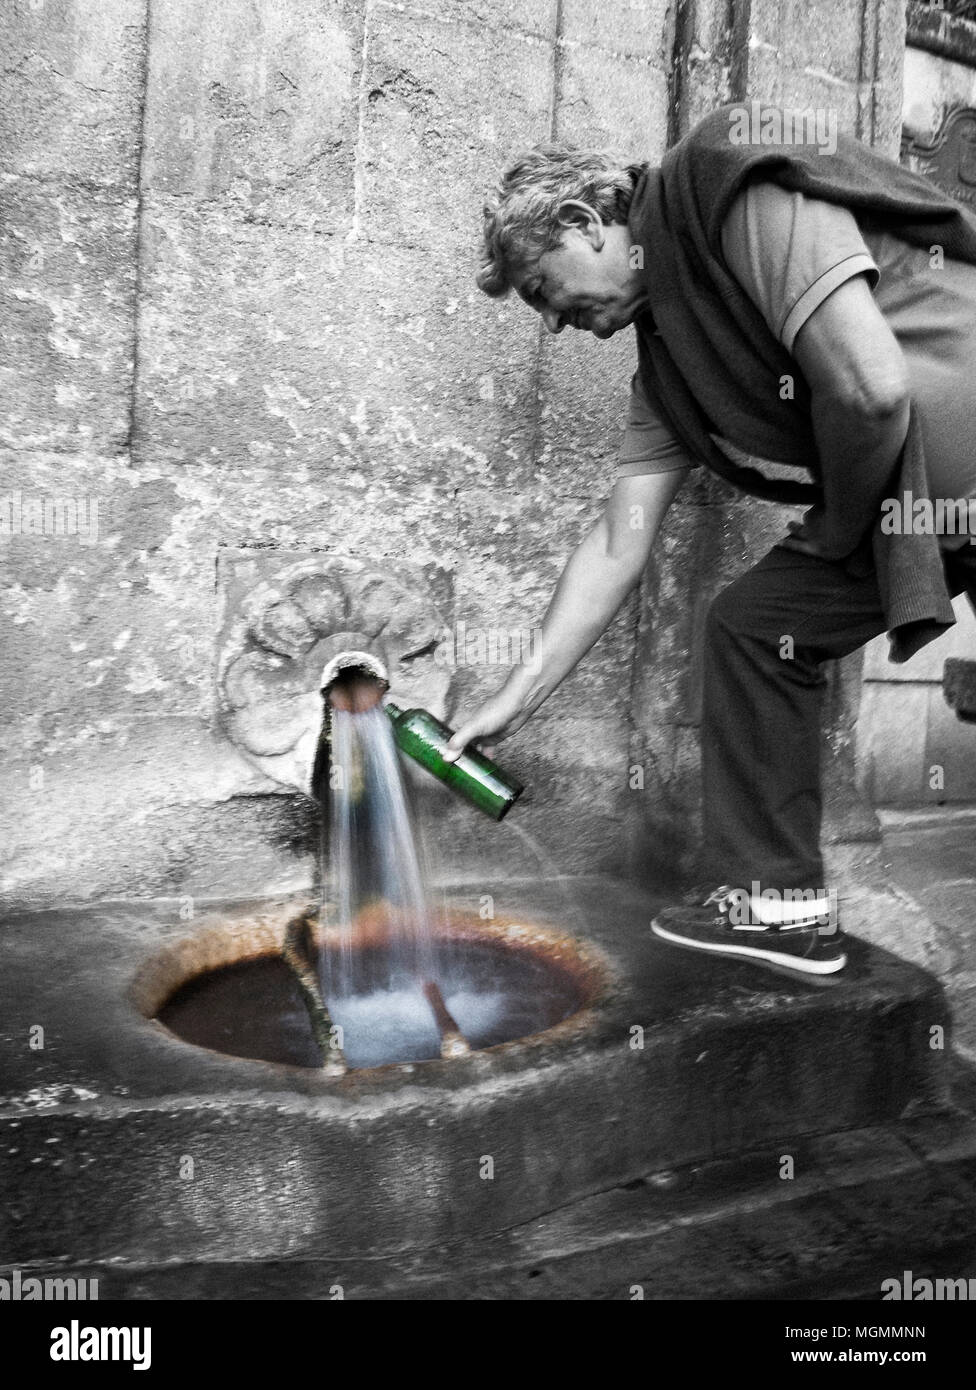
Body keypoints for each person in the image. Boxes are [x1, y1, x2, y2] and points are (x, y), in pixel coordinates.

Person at [442, 103, 976, 977]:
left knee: (760, 619)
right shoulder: (669, 375)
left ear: (584, 223)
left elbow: (871, 388)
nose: (548, 322)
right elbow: (620, 535)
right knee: (757, 625)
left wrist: (840, 526)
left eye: (541, 289)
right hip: (925, 508)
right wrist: (519, 693)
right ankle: (780, 904)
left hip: (930, 488)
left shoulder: (724, 180)